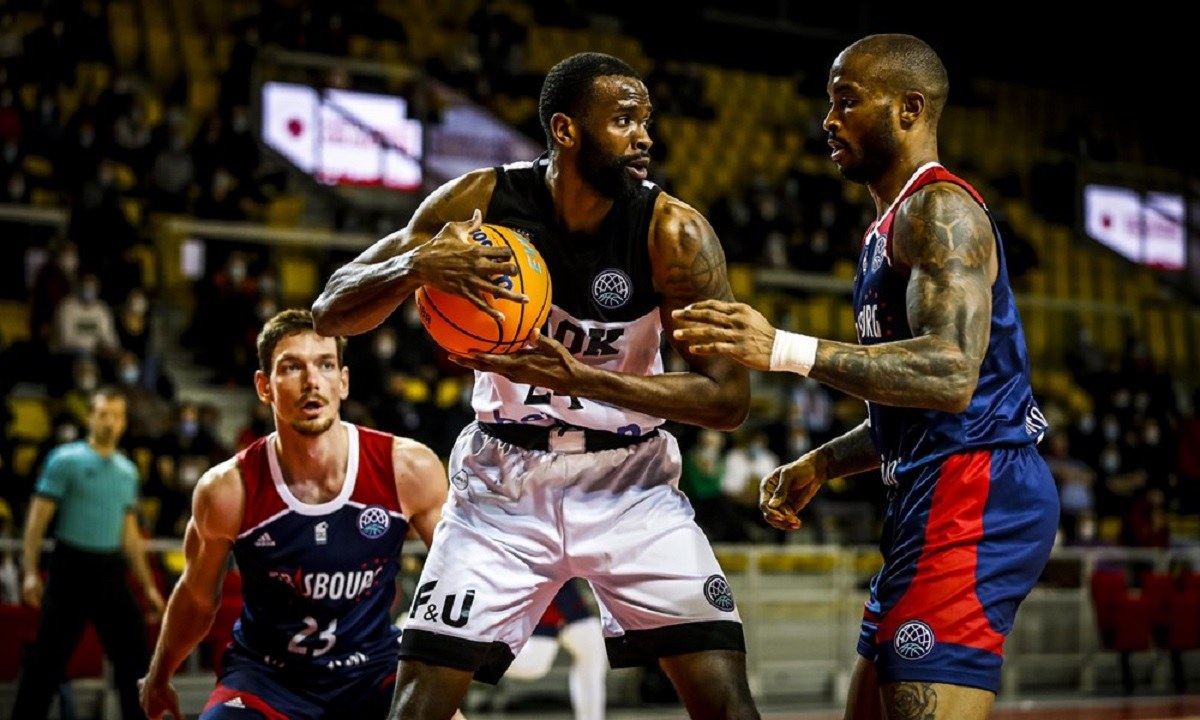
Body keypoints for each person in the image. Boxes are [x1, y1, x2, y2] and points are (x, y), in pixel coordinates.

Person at [311, 51, 760, 720]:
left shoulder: (673, 232)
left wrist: (583, 378)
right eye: (625, 120)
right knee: (415, 708)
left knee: (726, 703)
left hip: (631, 484)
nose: (645, 137)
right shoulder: (480, 204)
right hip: (502, 485)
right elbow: (329, 310)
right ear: (565, 129)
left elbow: (728, 401)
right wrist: (415, 265)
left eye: (647, 121)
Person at [672, 34, 1060, 720]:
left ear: (910, 109)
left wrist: (782, 348)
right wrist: (822, 462)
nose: (829, 119)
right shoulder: (886, 228)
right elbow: (910, 404)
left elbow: (950, 375)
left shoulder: (941, 212)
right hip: (927, 487)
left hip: (976, 489)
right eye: (830, 102)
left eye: (847, 101)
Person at [137, 308, 459, 720]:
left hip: (373, 671)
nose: (312, 381)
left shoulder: (408, 468)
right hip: (267, 677)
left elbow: (457, 574)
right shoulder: (227, 489)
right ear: (264, 387)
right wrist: (159, 674)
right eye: (292, 367)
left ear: (343, 381)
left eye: (325, 365)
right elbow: (198, 599)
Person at [13, 385, 165, 720]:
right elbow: (37, 520)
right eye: (103, 414)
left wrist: (149, 587)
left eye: (116, 416)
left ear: (124, 422)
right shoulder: (65, 459)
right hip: (71, 568)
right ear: (90, 418)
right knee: (47, 662)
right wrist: (29, 572)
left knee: (136, 660)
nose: (110, 422)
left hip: (110, 570)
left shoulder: (127, 470)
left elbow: (129, 534)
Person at [502, 579, 608, 720]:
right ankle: (477, 659)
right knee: (535, 665)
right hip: (539, 593)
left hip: (565, 593)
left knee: (592, 642)